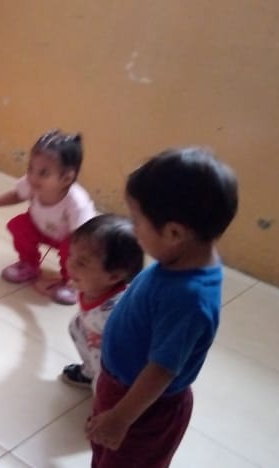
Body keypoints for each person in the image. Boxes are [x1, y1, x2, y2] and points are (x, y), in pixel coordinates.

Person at [86, 148, 238, 467]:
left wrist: (121, 418)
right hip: (121, 390)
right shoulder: (181, 259)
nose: (133, 229)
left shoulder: (189, 299)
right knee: (104, 456)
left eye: (137, 220)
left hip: (143, 410)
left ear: (173, 233)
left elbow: (162, 370)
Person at [0, 129, 96, 305]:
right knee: (19, 225)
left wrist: (83, 267)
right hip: (39, 227)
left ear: (67, 178)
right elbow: (17, 195)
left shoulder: (77, 202)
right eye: (31, 168)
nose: (33, 177)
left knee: (72, 249)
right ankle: (29, 264)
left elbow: (84, 236)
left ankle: (71, 282)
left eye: (44, 173)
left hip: (70, 238)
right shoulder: (32, 183)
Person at [60, 214, 143, 389]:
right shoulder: (94, 284)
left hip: (112, 350)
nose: (70, 264)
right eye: (71, 255)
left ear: (114, 276)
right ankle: (89, 371)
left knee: (104, 377)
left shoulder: (117, 310)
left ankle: (101, 394)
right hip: (92, 331)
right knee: (75, 326)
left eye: (82, 263)